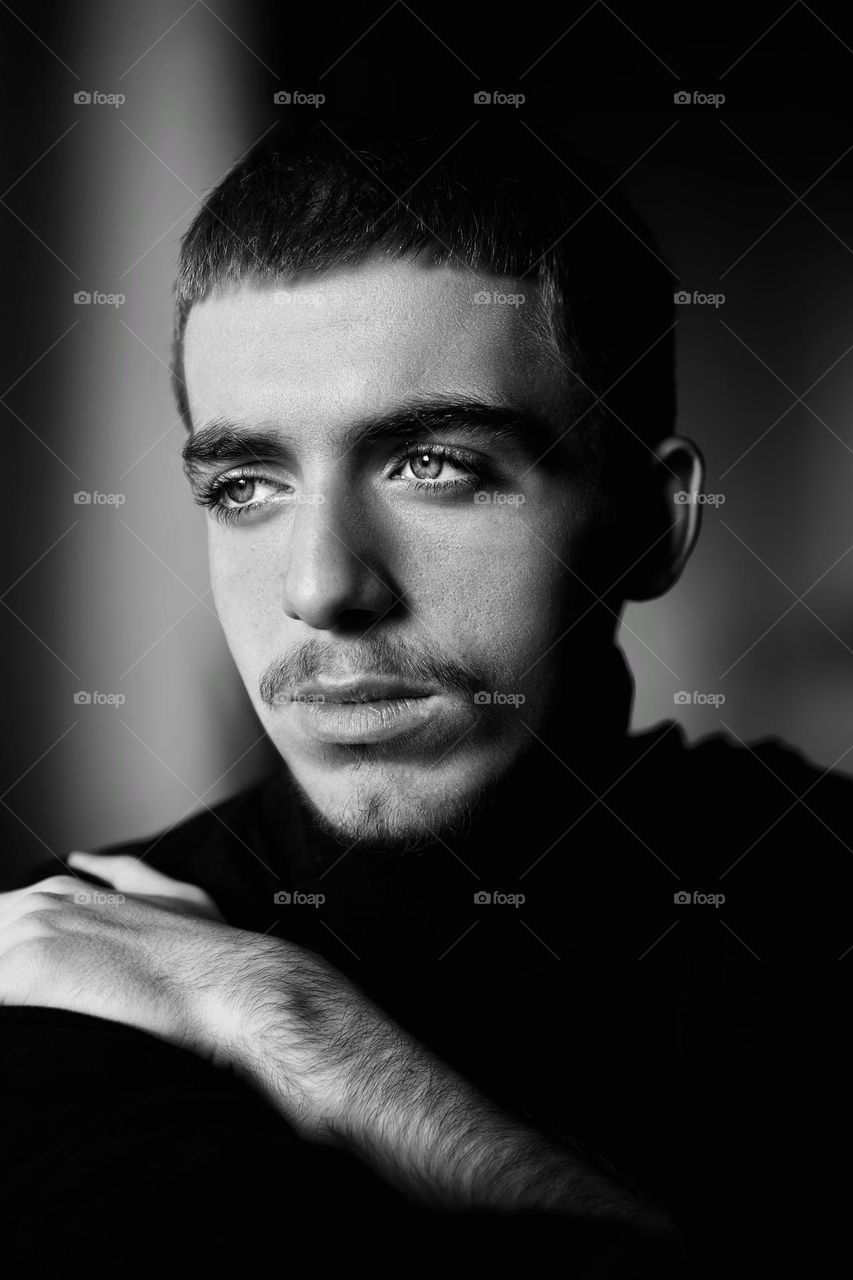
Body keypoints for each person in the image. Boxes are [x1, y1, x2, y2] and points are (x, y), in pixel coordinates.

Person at [1, 110, 849, 1274]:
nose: (321, 586)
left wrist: (288, 1023)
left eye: (433, 464)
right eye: (246, 484)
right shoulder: (80, 957)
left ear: (651, 525)